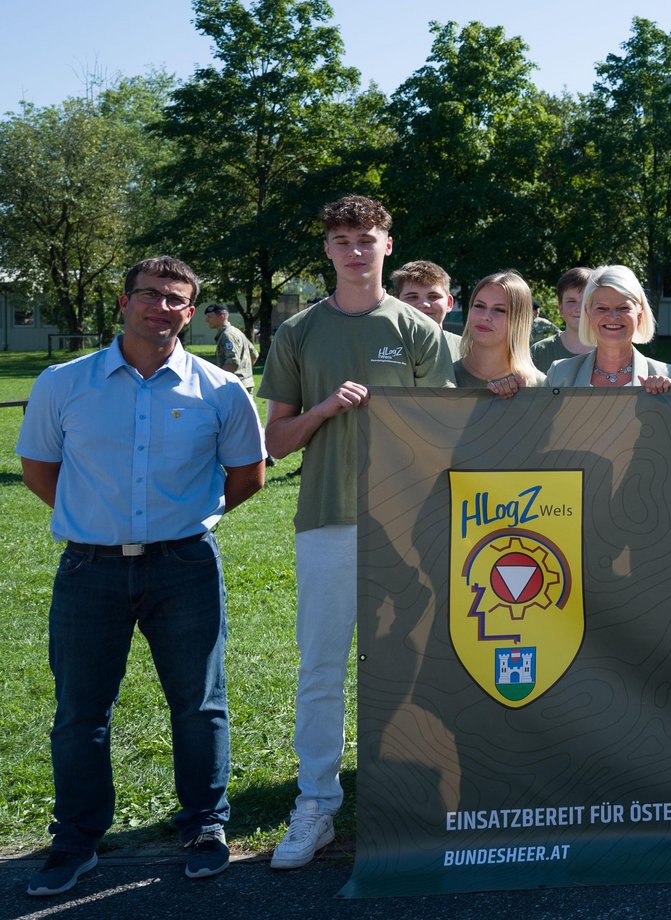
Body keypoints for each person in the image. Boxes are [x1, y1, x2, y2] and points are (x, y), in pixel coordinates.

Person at [15, 257, 266, 896]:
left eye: (176, 300)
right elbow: (40, 470)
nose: (162, 307)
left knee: (199, 704)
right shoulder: (62, 384)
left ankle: (205, 827)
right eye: (149, 295)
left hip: (184, 566)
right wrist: (97, 522)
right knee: (80, 712)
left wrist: (184, 520)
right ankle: (75, 840)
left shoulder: (220, 389)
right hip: (88, 568)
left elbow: (248, 476)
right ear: (124, 301)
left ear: (191, 312)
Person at [258, 195, 453, 870]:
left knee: (420, 666)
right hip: (328, 519)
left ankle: (412, 803)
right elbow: (273, 441)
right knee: (320, 668)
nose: (355, 249)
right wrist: (322, 410)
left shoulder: (415, 328)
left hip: (409, 525)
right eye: (342, 239)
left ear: (387, 246)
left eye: (366, 238)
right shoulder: (299, 332)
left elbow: (448, 436)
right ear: (329, 250)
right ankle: (316, 803)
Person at [545, 265, 671, 391]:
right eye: (602, 308)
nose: (612, 316)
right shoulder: (559, 375)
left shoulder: (670, 376)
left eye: (623, 308)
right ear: (587, 312)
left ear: (640, 313)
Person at [456, 271, 546, 396]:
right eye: (479, 306)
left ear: (520, 320)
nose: (485, 317)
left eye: (499, 310)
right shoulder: (442, 378)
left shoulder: (540, 386)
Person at [390, 259, 462, 358]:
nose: (424, 304)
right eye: (412, 297)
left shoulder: (469, 351)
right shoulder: (382, 348)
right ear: (396, 303)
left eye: (433, 296)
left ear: (449, 303)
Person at [530, 267, 595, 373]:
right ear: (561, 308)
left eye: (585, 301)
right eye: (571, 301)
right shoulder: (539, 352)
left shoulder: (613, 352)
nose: (579, 308)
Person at [204, 303, 256, 392]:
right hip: (241, 385)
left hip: (235, 388)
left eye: (209, 316)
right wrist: (244, 372)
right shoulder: (236, 332)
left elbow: (232, 362)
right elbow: (254, 355)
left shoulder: (228, 335)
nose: (206, 320)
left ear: (222, 316)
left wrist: (217, 380)